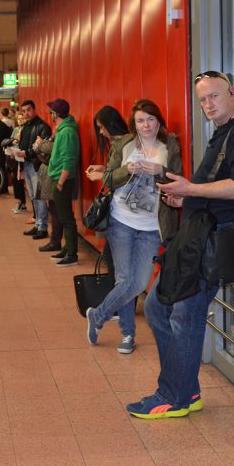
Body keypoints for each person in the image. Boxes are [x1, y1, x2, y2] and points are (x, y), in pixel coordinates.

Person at [127, 71, 234, 419]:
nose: (208, 105)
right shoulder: (222, 133)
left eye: (214, 96)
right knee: (157, 308)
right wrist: (182, 198)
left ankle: (174, 396)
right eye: (202, 99)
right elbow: (211, 187)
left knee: (183, 316)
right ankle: (185, 388)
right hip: (195, 236)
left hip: (211, 241)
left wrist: (190, 191)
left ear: (233, 93)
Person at [86, 100, 181, 353]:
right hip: (121, 222)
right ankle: (128, 334)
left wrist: (160, 170)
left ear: (158, 121)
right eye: (140, 120)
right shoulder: (124, 145)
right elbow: (108, 177)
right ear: (134, 124)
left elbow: (176, 178)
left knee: (137, 284)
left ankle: (98, 315)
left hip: (151, 226)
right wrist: (126, 170)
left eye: (150, 119)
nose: (146, 125)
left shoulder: (169, 145)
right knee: (124, 280)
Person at [84, 105, 132, 283]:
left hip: (124, 210)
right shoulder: (119, 143)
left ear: (111, 124)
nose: (101, 132)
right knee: (112, 258)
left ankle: (121, 304)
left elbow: (127, 174)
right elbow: (119, 170)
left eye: (102, 127)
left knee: (116, 262)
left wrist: (102, 176)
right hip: (119, 208)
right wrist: (103, 168)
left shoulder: (127, 143)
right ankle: (119, 303)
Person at [45, 98, 81, 267]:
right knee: (63, 215)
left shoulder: (66, 132)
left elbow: (68, 159)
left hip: (63, 179)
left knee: (66, 217)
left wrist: (60, 181)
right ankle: (68, 248)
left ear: (54, 114)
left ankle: (72, 254)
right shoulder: (64, 130)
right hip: (61, 178)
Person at [16, 100, 52, 239]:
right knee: (33, 196)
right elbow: (25, 144)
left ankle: (42, 227)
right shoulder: (25, 126)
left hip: (37, 165)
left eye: (28, 110)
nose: (26, 113)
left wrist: (26, 153)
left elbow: (42, 148)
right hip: (27, 164)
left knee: (39, 197)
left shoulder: (43, 127)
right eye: (24, 111)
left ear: (35, 109)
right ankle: (37, 224)